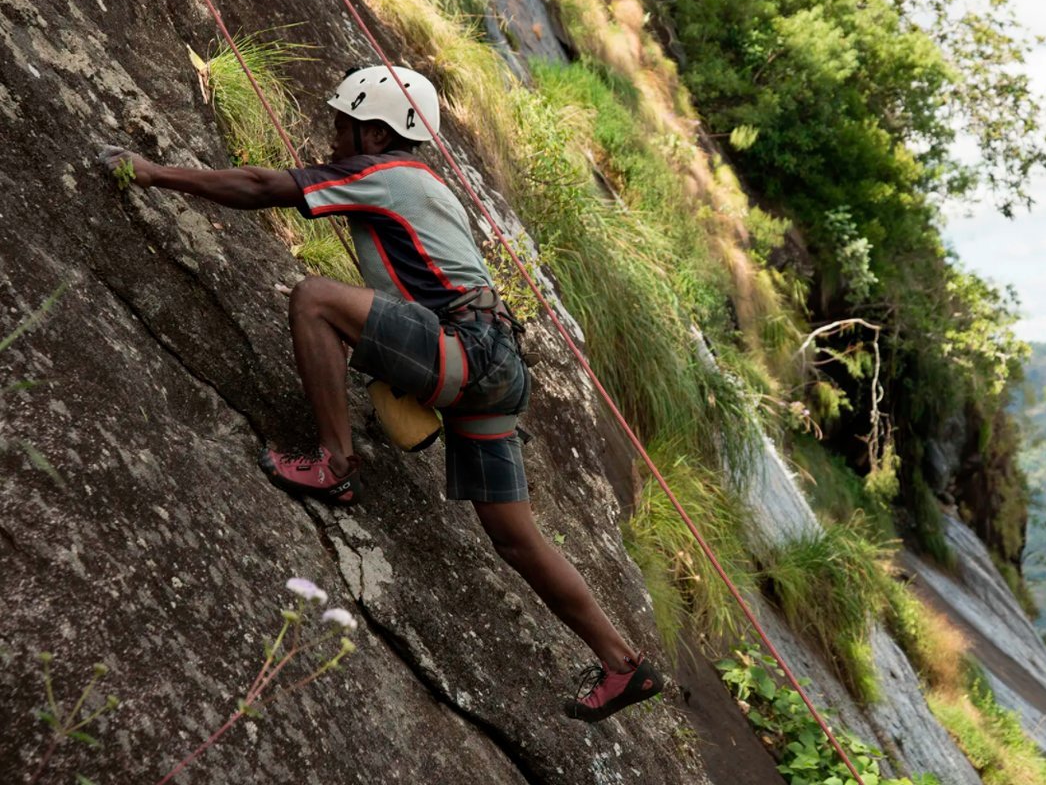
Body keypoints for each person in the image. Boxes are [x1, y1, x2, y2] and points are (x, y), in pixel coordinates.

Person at [100, 65, 662, 722]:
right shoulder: (421, 184)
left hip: (465, 351)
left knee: (314, 299)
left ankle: (333, 465)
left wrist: (152, 171)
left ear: (376, 131)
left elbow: (262, 185)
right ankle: (624, 664)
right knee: (514, 537)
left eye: (343, 124)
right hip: (497, 367)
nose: (333, 134)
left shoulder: (388, 173)